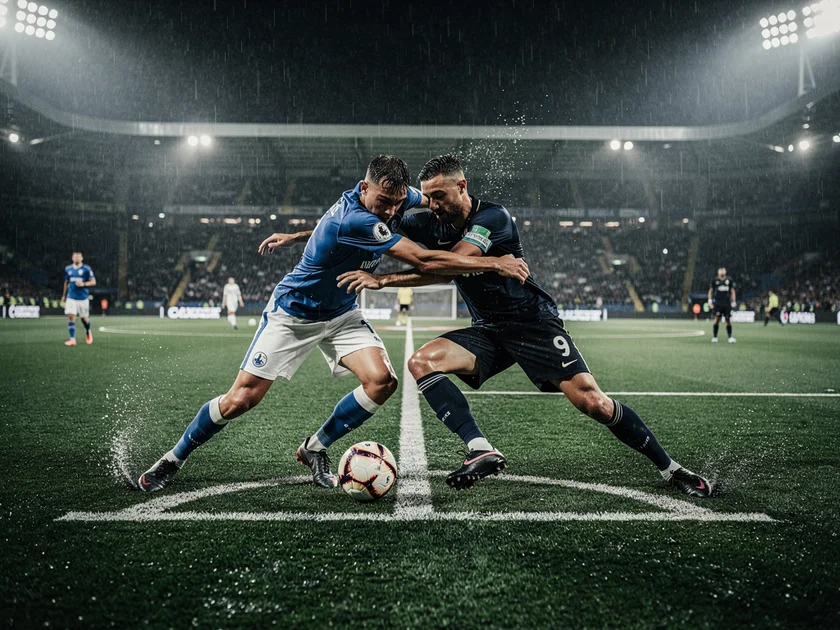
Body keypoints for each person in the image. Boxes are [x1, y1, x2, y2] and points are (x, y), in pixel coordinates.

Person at [138, 155, 528, 492]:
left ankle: (314, 448)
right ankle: (173, 458)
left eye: (396, 204)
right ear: (363, 188)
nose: (390, 212)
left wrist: (296, 236)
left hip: (341, 313)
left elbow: (411, 206)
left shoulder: (396, 197)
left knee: (382, 382)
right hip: (294, 315)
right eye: (382, 202)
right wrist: (496, 261)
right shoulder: (356, 219)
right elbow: (424, 261)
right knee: (241, 399)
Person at [338, 154, 713, 498]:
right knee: (422, 362)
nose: (433, 205)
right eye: (429, 198)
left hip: (533, 324)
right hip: (488, 329)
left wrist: (384, 280)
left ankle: (672, 469)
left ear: (462, 187)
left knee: (594, 403)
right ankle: (480, 449)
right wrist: (305, 237)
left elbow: (450, 266)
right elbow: (363, 226)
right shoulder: (430, 221)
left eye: (440, 196)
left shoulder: (493, 218)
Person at [61, 252, 96, 346]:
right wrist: (64, 295)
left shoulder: (86, 269)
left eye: (78, 257)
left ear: (82, 258)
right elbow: (66, 282)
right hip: (71, 296)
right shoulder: (68, 269)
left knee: (84, 319)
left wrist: (83, 284)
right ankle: (72, 339)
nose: (77, 258)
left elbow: (93, 282)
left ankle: (88, 331)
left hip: (83, 297)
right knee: (71, 316)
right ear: (72, 258)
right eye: (75, 256)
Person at [708, 267, 736, 343]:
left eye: (723, 270)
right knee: (716, 320)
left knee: (728, 320)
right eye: (720, 270)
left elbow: (732, 291)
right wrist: (710, 301)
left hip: (727, 304)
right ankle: (714, 337)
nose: (722, 271)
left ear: (725, 271)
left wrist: (733, 301)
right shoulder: (715, 280)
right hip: (718, 303)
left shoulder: (729, 280)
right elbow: (711, 291)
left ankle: (730, 337)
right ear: (718, 272)